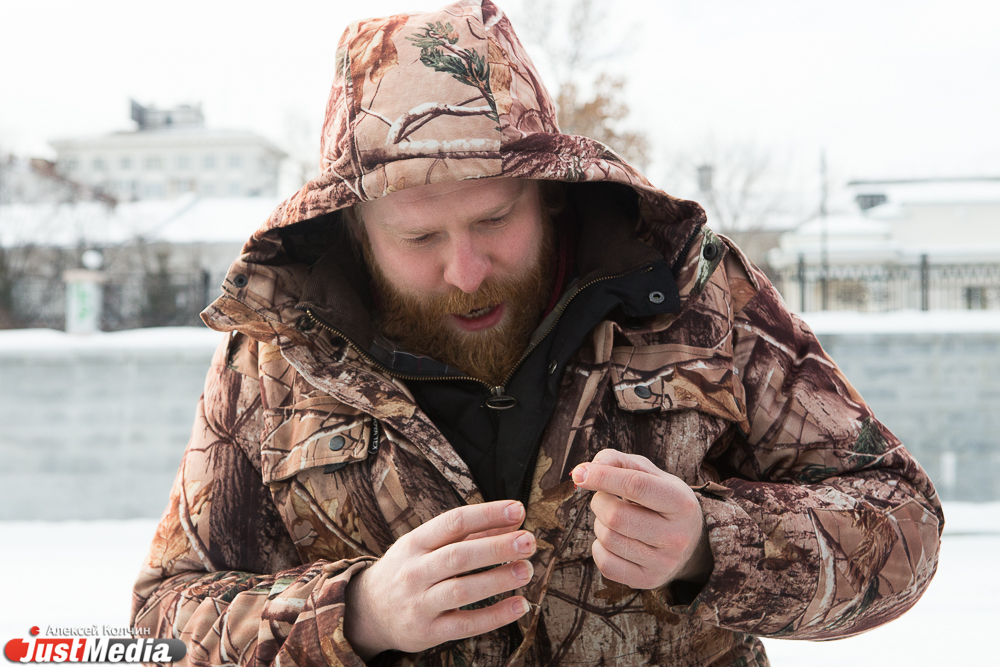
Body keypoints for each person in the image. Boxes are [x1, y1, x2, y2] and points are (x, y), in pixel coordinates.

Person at [131, 1, 943, 665]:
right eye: (418, 239)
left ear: (549, 192)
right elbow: (161, 623)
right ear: (353, 233)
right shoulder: (276, 355)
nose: (466, 269)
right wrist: (359, 611)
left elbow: (903, 523)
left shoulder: (697, 296)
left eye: (493, 220)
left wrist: (710, 542)